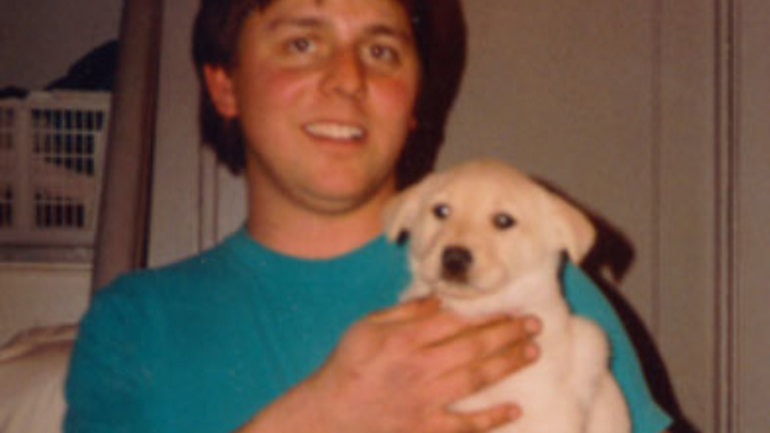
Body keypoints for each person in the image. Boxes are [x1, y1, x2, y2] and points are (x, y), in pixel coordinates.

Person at [64, 0, 673, 432]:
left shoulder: (536, 285)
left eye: (381, 51)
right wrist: (318, 419)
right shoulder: (134, 323)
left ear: (414, 101)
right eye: (302, 43)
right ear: (224, 85)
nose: (348, 79)